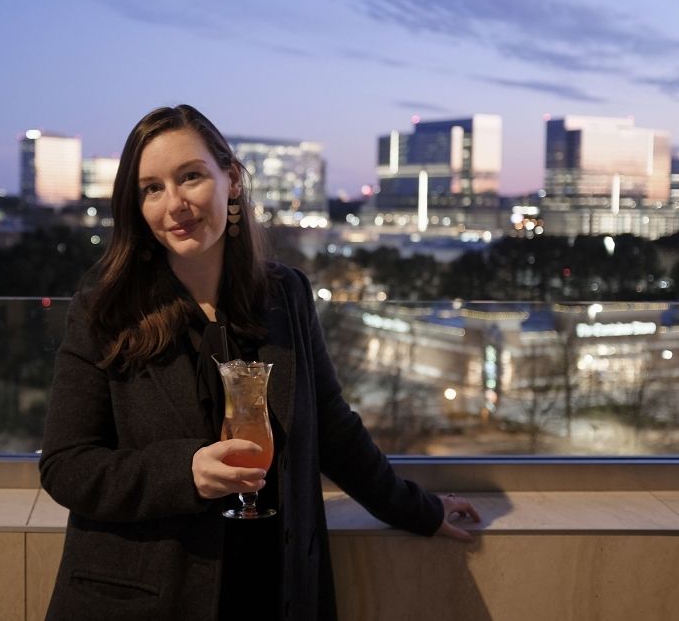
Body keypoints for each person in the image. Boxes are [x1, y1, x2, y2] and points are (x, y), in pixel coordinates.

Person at [40, 104, 480, 619]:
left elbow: (332, 427)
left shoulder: (285, 294)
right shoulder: (104, 312)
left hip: (275, 586)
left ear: (230, 179)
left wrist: (417, 509)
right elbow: (66, 465)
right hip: (145, 597)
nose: (174, 203)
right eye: (151, 188)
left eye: (191, 177)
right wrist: (183, 472)